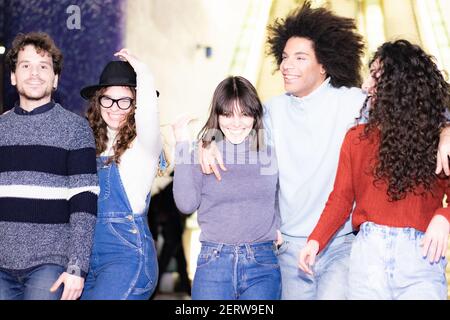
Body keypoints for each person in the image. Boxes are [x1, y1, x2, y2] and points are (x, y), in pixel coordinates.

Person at [199, 2, 450, 300]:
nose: (286, 65)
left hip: (344, 246)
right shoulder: (271, 111)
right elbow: (231, 128)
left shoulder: (356, 102)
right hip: (289, 247)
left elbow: (417, 103)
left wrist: (447, 129)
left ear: (324, 65)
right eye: (284, 57)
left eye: (300, 57)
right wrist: (207, 143)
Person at [299, 39, 450, 300]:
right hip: (367, 259)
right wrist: (315, 240)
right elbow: (341, 199)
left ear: (400, 87)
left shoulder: (439, 141)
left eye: (376, 76)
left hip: (421, 259)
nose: (366, 84)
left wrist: (444, 216)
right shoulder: (356, 139)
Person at [0, 32, 98, 300]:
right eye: (25, 65)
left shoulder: (75, 129)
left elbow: (84, 205)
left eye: (43, 66)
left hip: (50, 266)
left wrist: (77, 267)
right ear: (12, 76)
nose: (34, 73)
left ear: (55, 79)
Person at [172, 76, 281, 300]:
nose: (236, 123)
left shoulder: (268, 153)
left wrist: (278, 225)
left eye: (244, 114)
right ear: (217, 115)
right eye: (227, 114)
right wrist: (182, 144)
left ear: (255, 115)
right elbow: (185, 204)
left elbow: (276, 195)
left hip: (262, 262)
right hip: (214, 261)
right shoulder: (204, 153)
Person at [79, 49, 162, 300]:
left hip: (127, 255)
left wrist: (143, 72)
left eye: (124, 100)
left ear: (136, 104)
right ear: (98, 102)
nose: (115, 108)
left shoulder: (145, 144)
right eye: (108, 99)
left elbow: (149, 115)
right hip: (86, 258)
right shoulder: (87, 144)